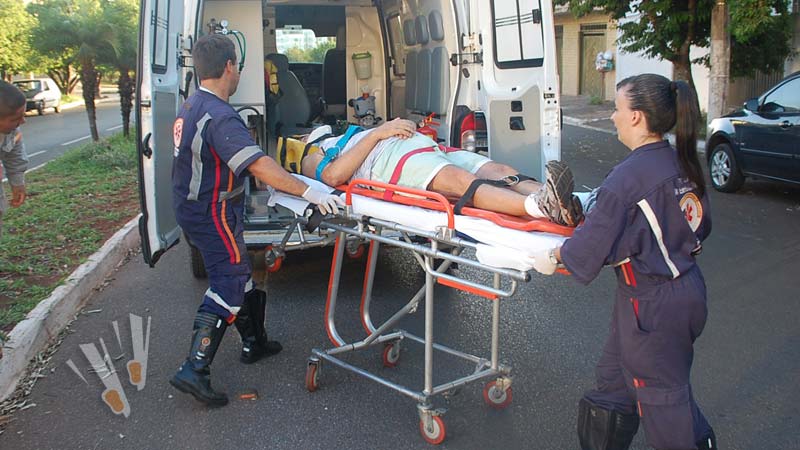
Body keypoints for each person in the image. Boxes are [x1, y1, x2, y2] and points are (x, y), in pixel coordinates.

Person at [531, 74, 716, 450]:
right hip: (677, 291)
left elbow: (586, 251)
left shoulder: (628, 179)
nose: (613, 116)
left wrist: (552, 255)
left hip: (653, 306)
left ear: (636, 117)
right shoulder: (678, 162)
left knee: (663, 400)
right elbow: (698, 226)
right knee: (614, 381)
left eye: (617, 109)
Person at [169, 34, 343, 407]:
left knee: (240, 271)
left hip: (197, 205)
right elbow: (260, 165)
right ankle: (194, 368)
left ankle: (254, 341)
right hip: (211, 211)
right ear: (229, 67)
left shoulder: (192, 105)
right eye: (237, 67)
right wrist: (308, 192)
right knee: (230, 279)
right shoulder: (220, 116)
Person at [299, 120, 585, 227]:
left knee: (499, 170)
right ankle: (539, 207)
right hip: (388, 161)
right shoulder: (312, 154)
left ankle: (566, 199)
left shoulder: (348, 136)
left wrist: (388, 130)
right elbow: (334, 177)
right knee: (461, 182)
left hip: (417, 144)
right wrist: (378, 133)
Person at [0, 81, 29, 240]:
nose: (23, 122)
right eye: (15, 118)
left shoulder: (11, 131)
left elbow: (14, 153)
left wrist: (17, 183)